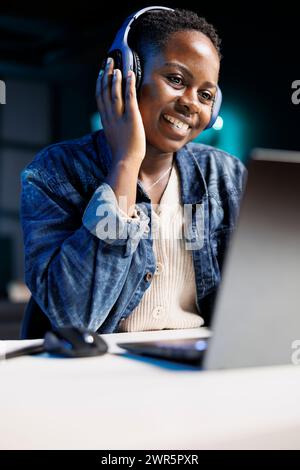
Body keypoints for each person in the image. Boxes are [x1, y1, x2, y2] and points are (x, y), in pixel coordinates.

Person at [20, 6, 246, 336]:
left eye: (206, 95)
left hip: (195, 367)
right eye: (176, 79)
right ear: (126, 73)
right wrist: (127, 162)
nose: (191, 103)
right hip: (95, 369)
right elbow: (75, 318)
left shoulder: (223, 174)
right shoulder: (55, 172)